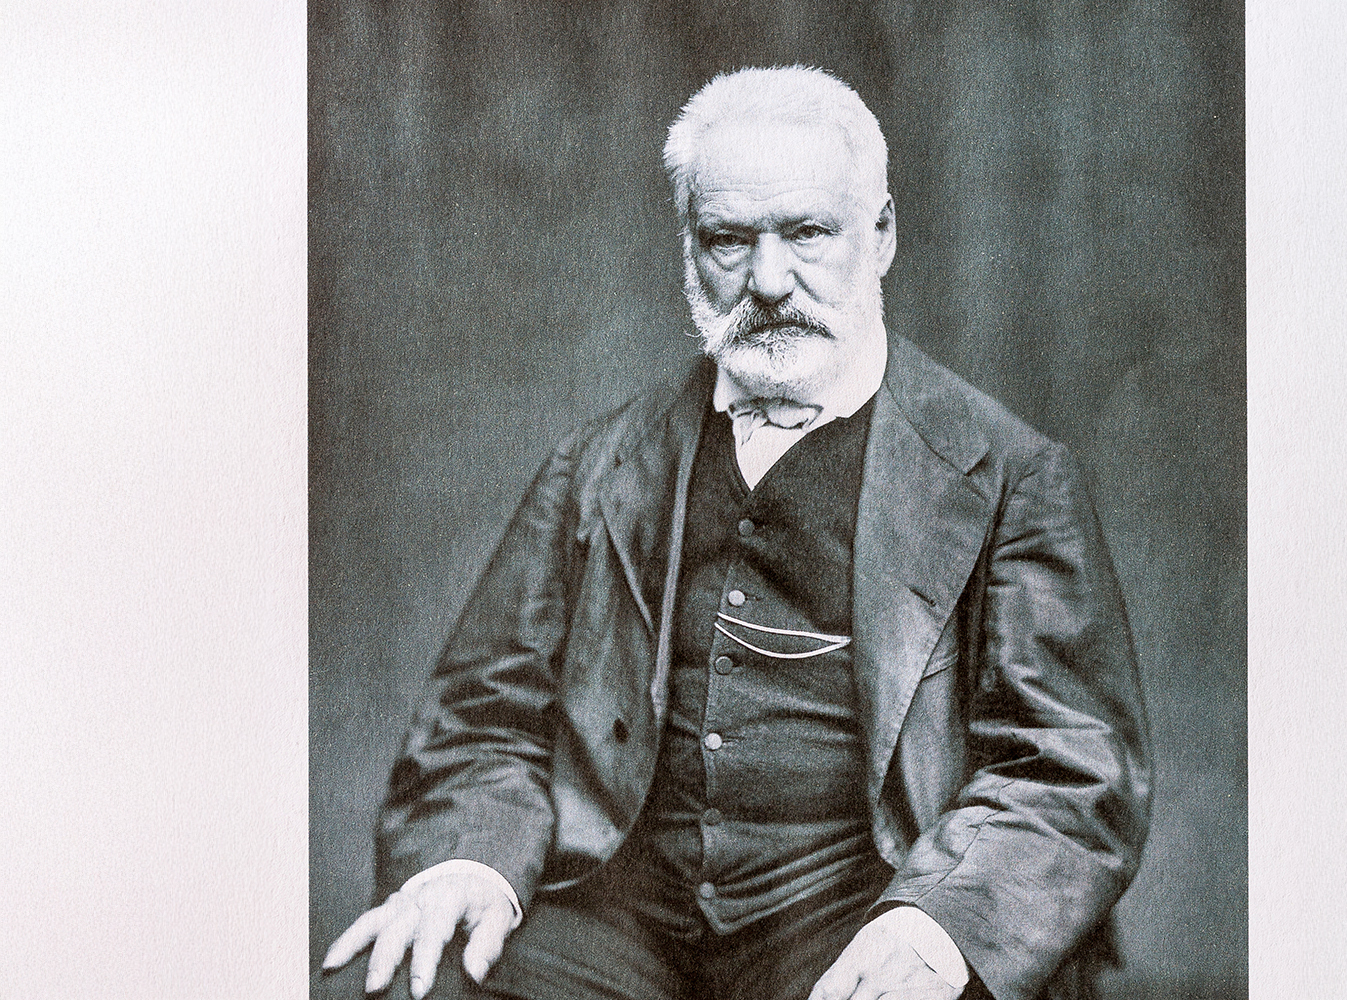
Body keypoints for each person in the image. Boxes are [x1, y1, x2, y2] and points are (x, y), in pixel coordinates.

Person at [320, 65, 1150, 1000]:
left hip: (865, 907)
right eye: (727, 240)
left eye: (805, 232)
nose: (767, 280)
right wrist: (466, 866)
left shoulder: (1007, 475)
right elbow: (482, 717)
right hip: (620, 916)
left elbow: (1072, 765)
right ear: (688, 246)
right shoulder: (601, 464)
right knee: (416, 979)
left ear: (879, 236)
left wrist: (938, 923)